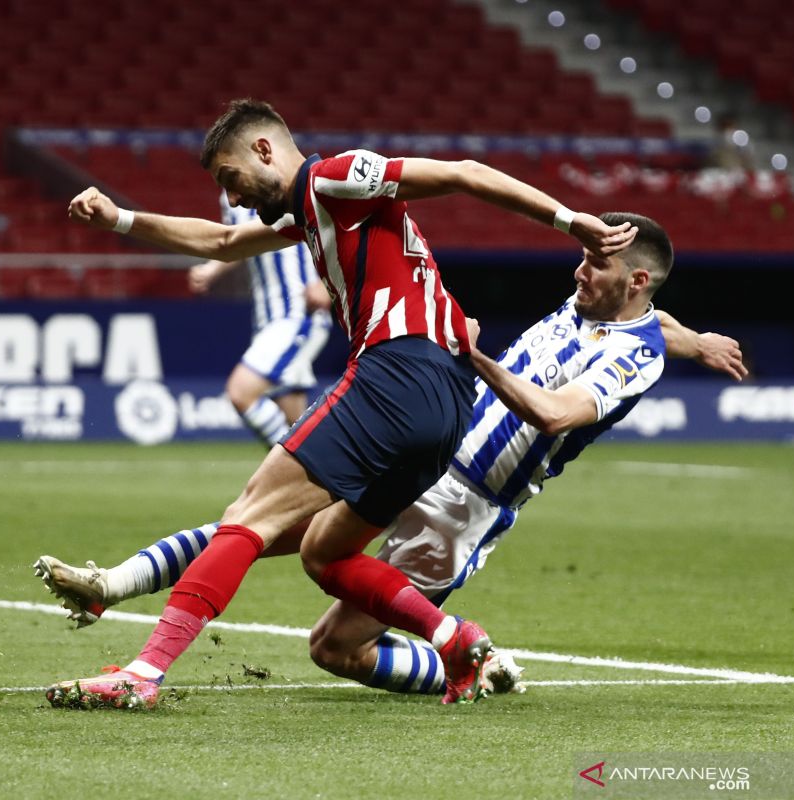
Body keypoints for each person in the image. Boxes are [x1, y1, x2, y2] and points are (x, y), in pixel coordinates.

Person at [50, 98, 637, 710]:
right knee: (324, 553)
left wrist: (572, 222)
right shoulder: (311, 211)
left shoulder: (334, 178)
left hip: (397, 371)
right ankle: (452, 638)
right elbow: (223, 242)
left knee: (248, 516)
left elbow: (464, 172)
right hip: (444, 409)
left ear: (264, 150)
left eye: (233, 179)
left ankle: (143, 673)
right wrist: (121, 220)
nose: (237, 197)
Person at [37, 213, 746, 701]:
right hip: (423, 453)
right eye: (586, 256)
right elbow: (656, 319)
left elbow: (557, 410)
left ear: (637, 281)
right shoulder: (602, 304)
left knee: (333, 649)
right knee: (251, 522)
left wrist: (469, 353)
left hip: (463, 508)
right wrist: (702, 337)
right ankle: (113, 585)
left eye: (598, 264)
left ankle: (466, 664)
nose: (580, 270)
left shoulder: (634, 356)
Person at [187, 190, 332, 447]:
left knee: (241, 392)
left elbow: (328, 225)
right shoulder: (229, 195)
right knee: (298, 426)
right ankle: (318, 476)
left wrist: (326, 283)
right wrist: (212, 269)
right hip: (268, 318)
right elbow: (237, 240)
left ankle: (294, 468)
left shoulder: (282, 176)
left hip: (298, 314)